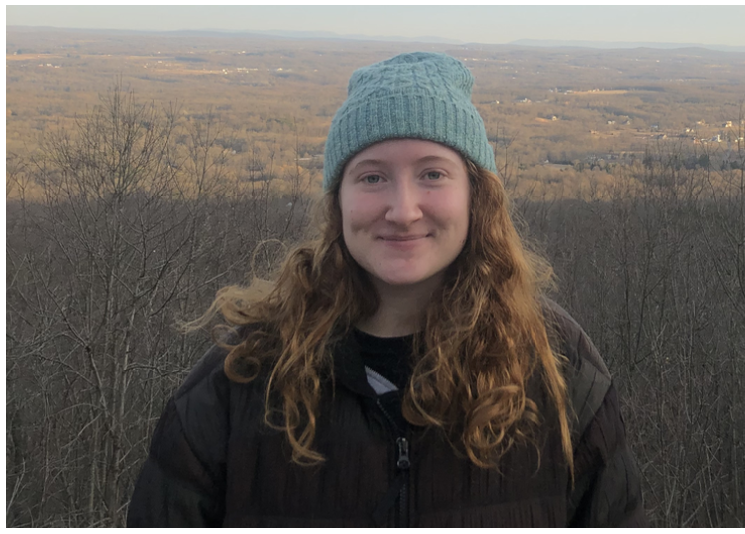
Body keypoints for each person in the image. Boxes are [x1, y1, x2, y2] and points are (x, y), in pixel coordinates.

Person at [127, 51, 646, 527]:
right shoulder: (242, 379)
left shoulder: (555, 365)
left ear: (476, 196)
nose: (403, 210)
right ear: (338, 201)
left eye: (432, 174)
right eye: (372, 178)